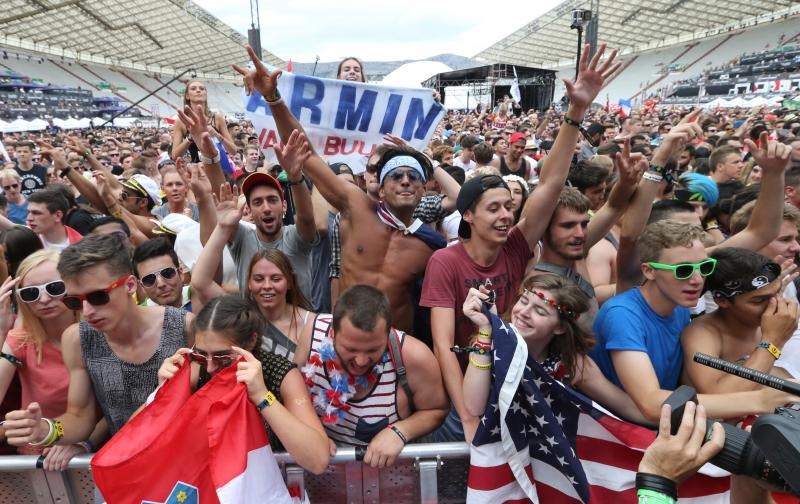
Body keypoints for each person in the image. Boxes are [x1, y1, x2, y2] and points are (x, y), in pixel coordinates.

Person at [421, 43, 621, 443]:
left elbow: (550, 182)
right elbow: (443, 345)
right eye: (493, 208)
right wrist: (465, 412)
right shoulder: (446, 262)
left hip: (516, 382)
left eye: (509, 207)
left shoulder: (515, 246)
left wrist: (575, 112)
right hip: (466, 392)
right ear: (469, 216)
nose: (506, 216)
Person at [233, 46, 448, 332]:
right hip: (340, 342)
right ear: (380, 189)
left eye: (414, 176)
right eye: (396, 176)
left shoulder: (432, 245)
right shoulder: (357, 207)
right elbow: (305, 151)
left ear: (425, 189)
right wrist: (273, 98)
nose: (406, 180)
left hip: (393, 351)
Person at [2, 235, 193, 447]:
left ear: (129, 285)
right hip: (129, 463)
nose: (87, 311)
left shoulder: (184, 326)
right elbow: (80, 418)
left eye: (98, 297)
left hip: (189, 457)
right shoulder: (78, 339)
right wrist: (47, 429)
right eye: (74, 301)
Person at [155, 295, 329, 475]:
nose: (211, 366)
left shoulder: (280, 374)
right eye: (200, 354)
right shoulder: (197, 370)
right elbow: (135, 437)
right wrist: (162, 394)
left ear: (251, 341)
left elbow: (318, 460)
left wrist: (263, 397)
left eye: (222, 357)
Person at [294, 285, 448, 468]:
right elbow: (294, 393)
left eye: (373, 350)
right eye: (350, 349)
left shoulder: (413, 356)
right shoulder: (313, 331)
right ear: (333, 333)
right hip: (322, 475)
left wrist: (400, 432)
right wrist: (313, 432)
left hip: (389, 479)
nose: (360, 361)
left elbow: (436, 410)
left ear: (388, 332)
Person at [461, 274, 648, 424]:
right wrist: (486, 329)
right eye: (524, 301)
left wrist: (668, 420)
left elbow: (625, 406)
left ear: (559, 328)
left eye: (540, 311)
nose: (524, 313)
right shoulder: (488, 345)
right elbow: (473, 406)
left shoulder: (571, 363)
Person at [0, 250, 98, 470]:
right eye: (30, 293)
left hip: (88, 452)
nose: (43, 299)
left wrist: (84, 443)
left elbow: (112, 406)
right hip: (33, 458)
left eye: (54, 288)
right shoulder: (20, 339)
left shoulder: (97, 331)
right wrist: (0, 331)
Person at [192, 197, 314, 361]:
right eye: (258, 279)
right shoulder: (241, 318)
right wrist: (223, 227)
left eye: (276, 279)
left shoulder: (312, 323)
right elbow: (200, 282)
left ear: (290, 282)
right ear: (248, 283)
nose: (267, 286)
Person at [170, 79, 237, 163]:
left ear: (206, 94)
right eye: (193, 89)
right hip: (198, 169)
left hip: (219, 167)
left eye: (202, 89)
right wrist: (191, 137)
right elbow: (175, 155)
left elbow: (233, 151)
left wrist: (217, 135)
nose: (198, 90)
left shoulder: (217, 118)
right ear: (187, 96)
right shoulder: (181, 121)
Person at [132, 238, 192, 311]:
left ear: (180, 273)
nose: (161, 284)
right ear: (142, 286)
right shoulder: (138, 317)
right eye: (149, 279)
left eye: (167, 272)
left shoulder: (201, 294)